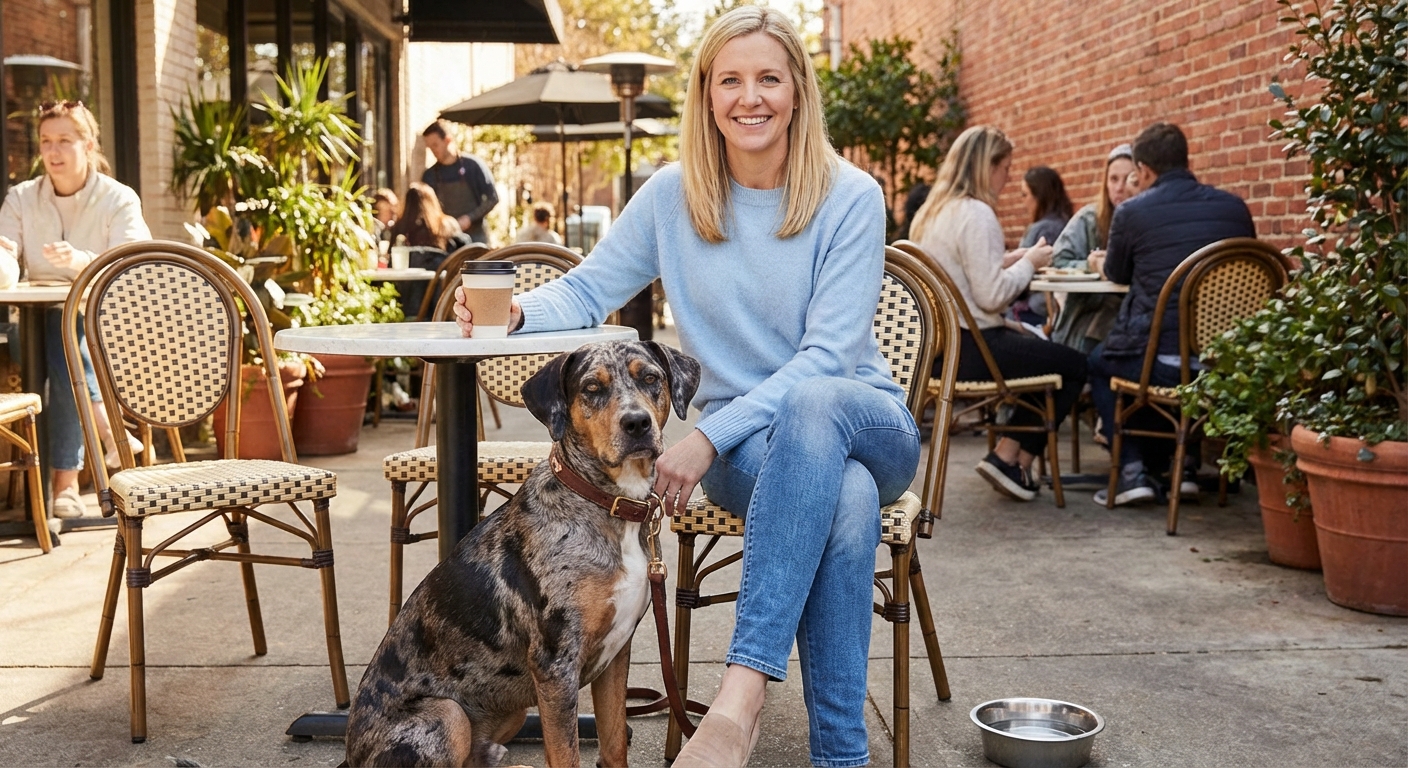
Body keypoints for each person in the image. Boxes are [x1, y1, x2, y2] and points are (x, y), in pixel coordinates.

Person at [454, 7, 915, 766]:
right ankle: (842, 755)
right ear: (706, 96)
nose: (750, 97)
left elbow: (829, 359)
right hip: (756, 449)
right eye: (729, 80)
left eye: (769, 78)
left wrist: (704, 436)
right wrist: (517, 313)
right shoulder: (674, 195)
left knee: (816, 408)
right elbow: (587, 290)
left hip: (861, 418)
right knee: (847, 497)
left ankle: (738, 700)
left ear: (798, 90)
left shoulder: (850, 195)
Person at [909, 125, 1088, 502]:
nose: (1008, 178)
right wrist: (1032, 262)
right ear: (987, 166)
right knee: (1073, 365)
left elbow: (962, 273)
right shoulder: (977, 214)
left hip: (939, 352)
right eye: (1006, 168)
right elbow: (991, 296)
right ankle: (1010, 456)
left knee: (1040, 351)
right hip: (976, 350)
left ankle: (1014, 460)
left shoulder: (931, 213)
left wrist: (1012, 258)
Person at [1089, 122, 1255, 506]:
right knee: (1167, 349)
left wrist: (1098, 264)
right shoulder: (1235, 209)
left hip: (1161, 366)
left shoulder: (1131, 211)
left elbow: (1116, 273)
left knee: (1099, 362)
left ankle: (1132, 472)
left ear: (1144, 171)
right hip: (1223, 363)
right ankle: (1187, 468)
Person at [0, 101, 149, 517]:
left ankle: (62, 485)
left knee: (63, 336)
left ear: (88, 143)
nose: (53, 151)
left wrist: (82, 261)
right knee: (58, 332)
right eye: (46, 141)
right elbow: (5, 253)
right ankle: (101, 439)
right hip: (31, 325)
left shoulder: (117, 198)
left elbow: (131, 263)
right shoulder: (22, 197)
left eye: (64, 140)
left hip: (106, 326)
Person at [1048, 144, 1140, 353]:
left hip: (1133, 314)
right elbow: (1059, 259)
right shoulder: (1089, 218)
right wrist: (1092, 266)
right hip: (1090, 309)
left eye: (1128, 179)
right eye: (1113, 179)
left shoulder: (1148, 219)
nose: (1119, 187)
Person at [421, 121, 499, 244]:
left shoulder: (473, 166)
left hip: (476, 237)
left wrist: (470, 218)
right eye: (429, 147)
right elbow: (425, 208)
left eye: (435, 145)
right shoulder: (430, 175)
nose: (433, 150)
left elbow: (492, 198)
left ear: (447, 140)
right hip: (447, 240)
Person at [1018, 166, 1073, 248]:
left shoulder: (1042, 229)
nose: (1022, 200)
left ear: (1039, 196)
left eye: (1025, 194)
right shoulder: (1071, 225)